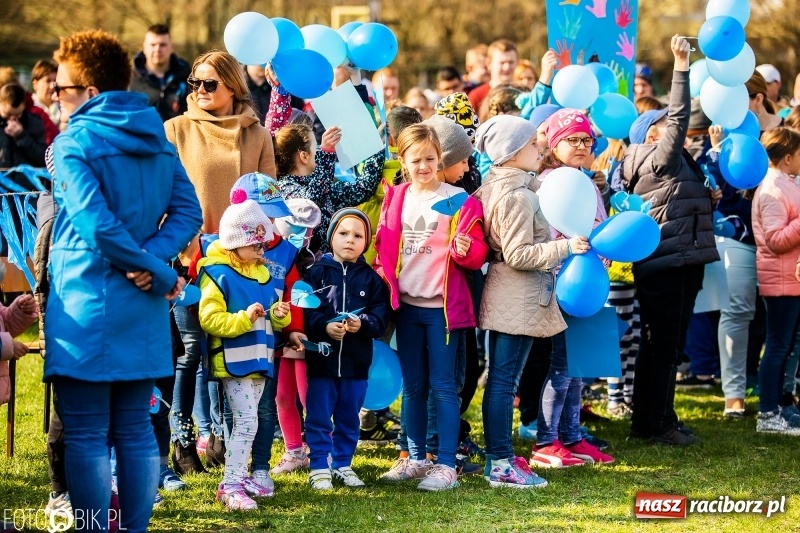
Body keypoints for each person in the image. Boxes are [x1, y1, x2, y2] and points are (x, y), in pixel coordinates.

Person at [44, 29, 202, 532]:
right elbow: (187, 211)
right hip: (143, 302)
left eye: (61, 88)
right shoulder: (155, 137)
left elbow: (93, 224)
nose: (54, 97)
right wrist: (156, 264)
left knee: (89, 432)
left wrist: (150, 267)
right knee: (135, 428)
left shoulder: (73, 143)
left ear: (89, 92)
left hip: (87, 301)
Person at [164, 49, 277, 473]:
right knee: (191, 350)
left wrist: (247, 243)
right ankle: (183, 440)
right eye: (195, 83)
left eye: (210, 83)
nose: (201, 90)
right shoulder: (175, 130)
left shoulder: (257, 134)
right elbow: (163, 194)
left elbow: (270, 200)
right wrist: (183, 239)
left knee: (230, 354)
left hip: (240, 265)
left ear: (233, 86)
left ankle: (226, 444)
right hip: (190, 258)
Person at [374, 124, 488, 491]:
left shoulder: (459, 198)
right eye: (415, 160)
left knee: (442, 386)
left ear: (440, 158)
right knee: (413, 386)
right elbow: (384, 247)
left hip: (442, 311)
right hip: (405, 306)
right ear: (402, 161)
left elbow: (477, 252)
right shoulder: (397, 196)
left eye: (430, 159)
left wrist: (469, 252)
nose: (423, 166)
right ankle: (415, 457)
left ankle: (446, 464)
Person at [621, 36, 719, 445]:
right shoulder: (653, 157)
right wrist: (681, 66)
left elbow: (676, 203)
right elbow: (679, 118)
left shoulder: (672, 163)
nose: (671, 124)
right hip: (667, 262)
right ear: (649, 135)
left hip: (681, 259)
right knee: (662, 345)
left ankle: (663, 417)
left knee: (668, 344)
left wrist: (706, 199)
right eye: (663, 123)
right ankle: (653, 424)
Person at [196, 196, 291, 509]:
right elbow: (208, 318)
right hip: (233, 361)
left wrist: (279, 315)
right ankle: (231, 484)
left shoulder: (262, 273)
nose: (262, 252)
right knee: (247, 421)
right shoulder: (218, 274)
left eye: (263, 246)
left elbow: (277, 320)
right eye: (256, 245)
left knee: (247, 422)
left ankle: (236, 476)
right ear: (235, 243)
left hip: (259, 359)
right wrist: (242, 319)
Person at [293, 208, 391, 489]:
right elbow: (306, 311)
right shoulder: (316, 275)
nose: (350, 240)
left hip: (356, 364)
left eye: (358, 235)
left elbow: (381, 315)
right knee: (319, 415)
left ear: (366, 242)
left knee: (350, 416)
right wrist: (324, 326)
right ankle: (319, 465)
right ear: (331, 236)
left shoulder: (372, 280)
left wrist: (363, 323)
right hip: (322, 363)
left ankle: (342, 464)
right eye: (343, 233)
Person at [750, 127, 800, 434]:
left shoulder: (787, 183)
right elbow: (775, 240)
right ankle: (768, 413)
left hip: (792, 279)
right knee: (778, 346)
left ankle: (781, 408)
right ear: (788, 157)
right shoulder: (772, 188)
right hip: (780, 281)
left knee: (787, 344)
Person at [273, 122, 384, 255]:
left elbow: (361, 189)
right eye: (317, 148)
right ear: (304, 156)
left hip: (328, 268)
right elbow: (311, 203)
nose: (319, 152)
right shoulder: (285, 189)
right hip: (306, 272)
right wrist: (326, 153)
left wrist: (375, 150)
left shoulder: (322, 186)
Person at [269, 198, 321, 476]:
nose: (307, 236)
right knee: (283, 395)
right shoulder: (276, 255)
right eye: (301, 229)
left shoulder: (317, 261)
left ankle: (319, 450)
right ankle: (294, 450)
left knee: (308, 394)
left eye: (310, 230)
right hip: (283, 334)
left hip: (306, 336)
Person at [129, 24, 191, 122]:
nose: (157, 49)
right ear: (144, 47)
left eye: (163, 45)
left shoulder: (188, 78)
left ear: (172, 47)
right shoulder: (129, 79)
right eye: (153, 45)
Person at [0, 83, 46, 168]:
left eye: (18, 115)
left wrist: (22, 136)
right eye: (7, 114)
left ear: (24, 106)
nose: (12, 119)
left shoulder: (34, 123)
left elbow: (43, 159)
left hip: (25, 179)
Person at [468, 39, 519, 112]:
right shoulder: (476, 97)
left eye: (511, 62)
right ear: (489, 64)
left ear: (517, 63)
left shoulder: (524, 94)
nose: (507, 67)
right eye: (502, 62)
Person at [30, 60, 60, 126]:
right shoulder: (28, 110)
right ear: (35, 84)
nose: (52, 86)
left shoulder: (63, 108)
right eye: (48, 81)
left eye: (55, 81)